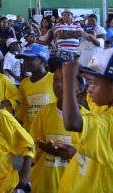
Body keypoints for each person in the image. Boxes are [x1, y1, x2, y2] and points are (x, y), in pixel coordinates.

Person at [58, 49, 113, 192]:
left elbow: (72, 123)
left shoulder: (109, 122)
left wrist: (68, 78)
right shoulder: (104, 105)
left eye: (92, 83)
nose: (88, 89)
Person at [29, 56, 85, 192]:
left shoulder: (88, 119)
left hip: (74, 184)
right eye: (55, 80)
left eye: (66, 80)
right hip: (45, 182)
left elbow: (94, 155)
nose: (59, 84)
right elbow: (32, 141)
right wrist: (45, 147)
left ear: (80, 88)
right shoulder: (44, 112)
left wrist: (76, 154)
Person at [16, 44, 56, 132]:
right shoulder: (24, 83)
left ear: (42, 61)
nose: (25, 63)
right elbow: (22, 110)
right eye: (24, 59)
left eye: (29, 59)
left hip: (51, 130)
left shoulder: (54, 79)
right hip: (31, 132)